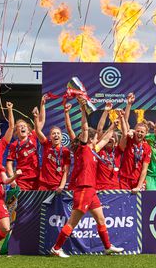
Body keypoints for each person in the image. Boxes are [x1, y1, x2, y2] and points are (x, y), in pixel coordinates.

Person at [50, 98, 124, 258]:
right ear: (90, 139)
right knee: (72, 222)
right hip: (83, 189)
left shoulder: (94, 150)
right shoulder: (83, 149)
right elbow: (84, 128)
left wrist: (114, 125)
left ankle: (107, 247)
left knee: (101, 220)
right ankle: (56, 248)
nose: (99, 139)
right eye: (95, 137)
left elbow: (105, 138)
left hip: (92, 190)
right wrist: (83, 109)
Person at [35, 96, 71, 192]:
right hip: (43, 185)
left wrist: (62, 187)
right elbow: (38, 131)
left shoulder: (66, 151)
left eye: (58, 133)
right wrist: (41, 105)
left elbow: (66, 171)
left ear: (62, 137)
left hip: (57, 186)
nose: (56, 135)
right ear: (50, 137)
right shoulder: (47, 144)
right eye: (53, 133)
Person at [118, 106, 151, 192]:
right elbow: (125, 129)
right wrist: (128, 106)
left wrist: (139, 186)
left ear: (146, 133)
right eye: (138, 131)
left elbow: (144, 169)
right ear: (134, 131)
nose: (139, 133)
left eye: (142, 132)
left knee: (141, 204)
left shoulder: (147, 147)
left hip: (138, 181)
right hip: (124, 179)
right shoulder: (129, 140)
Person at [6, 116, 40, 191]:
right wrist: (12, 179)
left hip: (36, 178)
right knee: (23, 202)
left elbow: (41, 122)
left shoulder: (33, 137)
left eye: (24, 126)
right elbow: (9, 164)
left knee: (37, 202)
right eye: (20, 126)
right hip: (22, 179)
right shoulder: (14, 145)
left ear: (28, 131)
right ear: (16, 131)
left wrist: (42, 105)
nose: (22, 127)